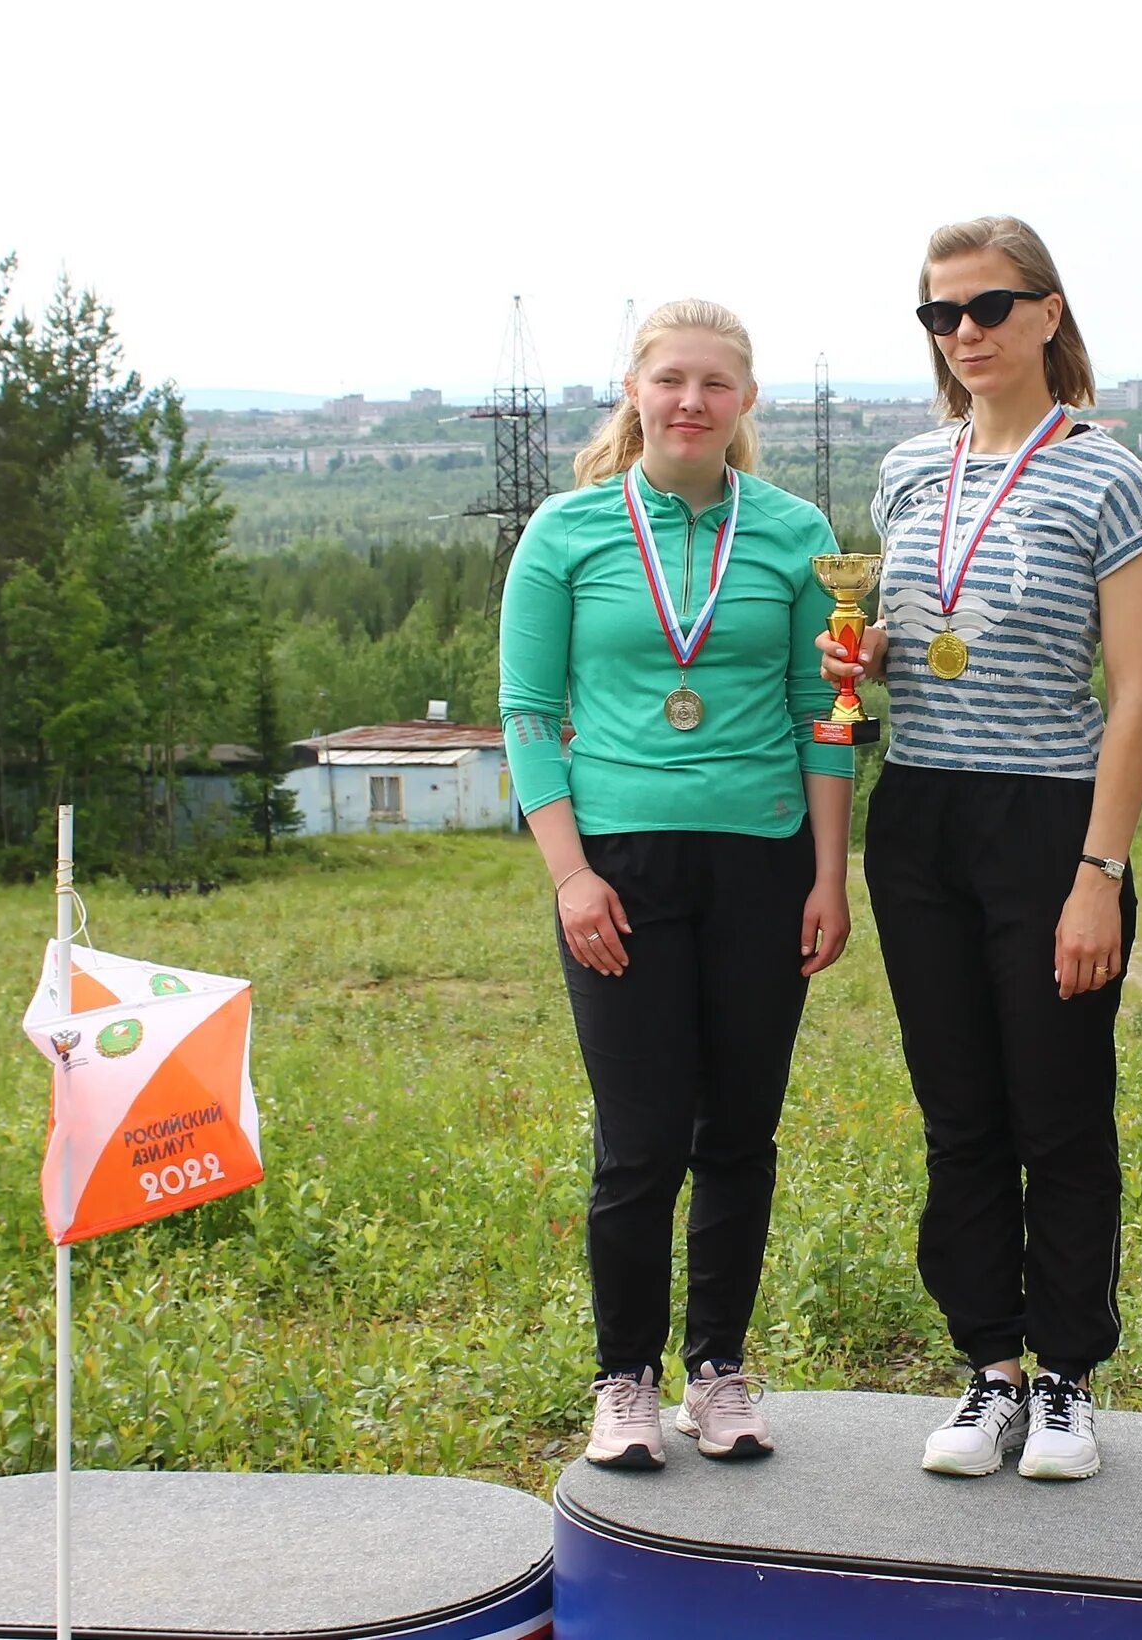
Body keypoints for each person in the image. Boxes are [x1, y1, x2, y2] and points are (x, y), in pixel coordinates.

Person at [823, 216, 1142, 1480]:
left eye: (988, 307)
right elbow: (895, 651)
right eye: (940, 313)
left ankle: (1069, 1378)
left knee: (1059, 1111)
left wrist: (1098, 875)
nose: (964, 333)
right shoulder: (909, 471)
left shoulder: (1106, 475)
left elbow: (1134, 692)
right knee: (958, 1110)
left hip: (1048, 821)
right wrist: (852, 665)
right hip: (918, 815)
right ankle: (989, 1369)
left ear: (1047, 314)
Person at [499, 299, 853, 1471]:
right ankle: (626, 1380)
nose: (690, 402)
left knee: (739, 1134)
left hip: (759, 865)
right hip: (619, 870)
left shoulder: (798, 535)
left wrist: (826, 874)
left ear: (743, 401)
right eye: (669, 381)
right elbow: (528, 715)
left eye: (713, 383)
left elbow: (826, 714)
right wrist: (570, 879)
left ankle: (720, 1370)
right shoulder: (567, 533)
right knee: (640, 1142)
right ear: (635, 393)